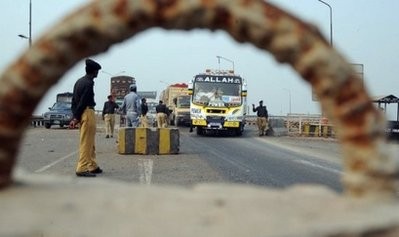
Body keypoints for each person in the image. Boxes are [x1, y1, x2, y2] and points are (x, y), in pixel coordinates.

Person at [69, 58, 103, 177]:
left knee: (90, 141)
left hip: (82, 113)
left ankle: (92, 165)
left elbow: (74, 101)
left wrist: (75, 116)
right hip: (87, 112)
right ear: (93, 71)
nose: (97, 73)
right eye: (97, 71)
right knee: (86, 142)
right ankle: (82, 168)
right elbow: (83, 102)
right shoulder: (89, 83)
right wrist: (76, 117)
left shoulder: (79, 82)